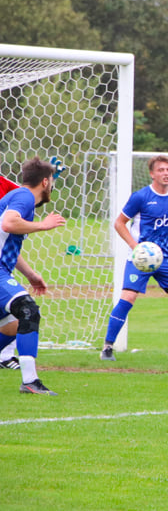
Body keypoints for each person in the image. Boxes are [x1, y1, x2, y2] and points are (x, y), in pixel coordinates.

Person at [100, 155, 168, 361]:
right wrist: (135, 247)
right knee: (127, 298)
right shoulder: (141, 197)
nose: (166, 173)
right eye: (161, 170)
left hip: (165, 258)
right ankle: (107, 347)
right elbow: (119, 223)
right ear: (152, 174)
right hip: (139, 260)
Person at [0, 157, 66, 394]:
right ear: (46, 182)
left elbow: (7, 241)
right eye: (52, 183)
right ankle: (30, 381)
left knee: (13, 325)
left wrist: (30, 275)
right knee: (28, 310)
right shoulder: (25, 196)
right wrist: (44, 225)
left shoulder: (18, 199)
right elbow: (8, 224)